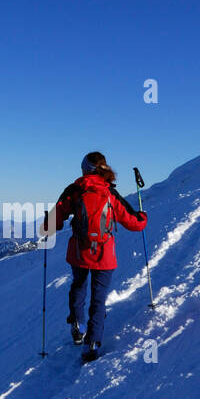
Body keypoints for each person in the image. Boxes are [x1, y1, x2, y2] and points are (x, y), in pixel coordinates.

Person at [49, 152, 147, 362]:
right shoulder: (110, 193)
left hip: (79, 251)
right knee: (99, 298)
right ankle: (92, 343)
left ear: (84, 169)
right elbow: (134, 223)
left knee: (78, 286)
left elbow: (55, 220)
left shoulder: (74, 190)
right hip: (104, 254)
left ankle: (77, 324)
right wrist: (143, 217)